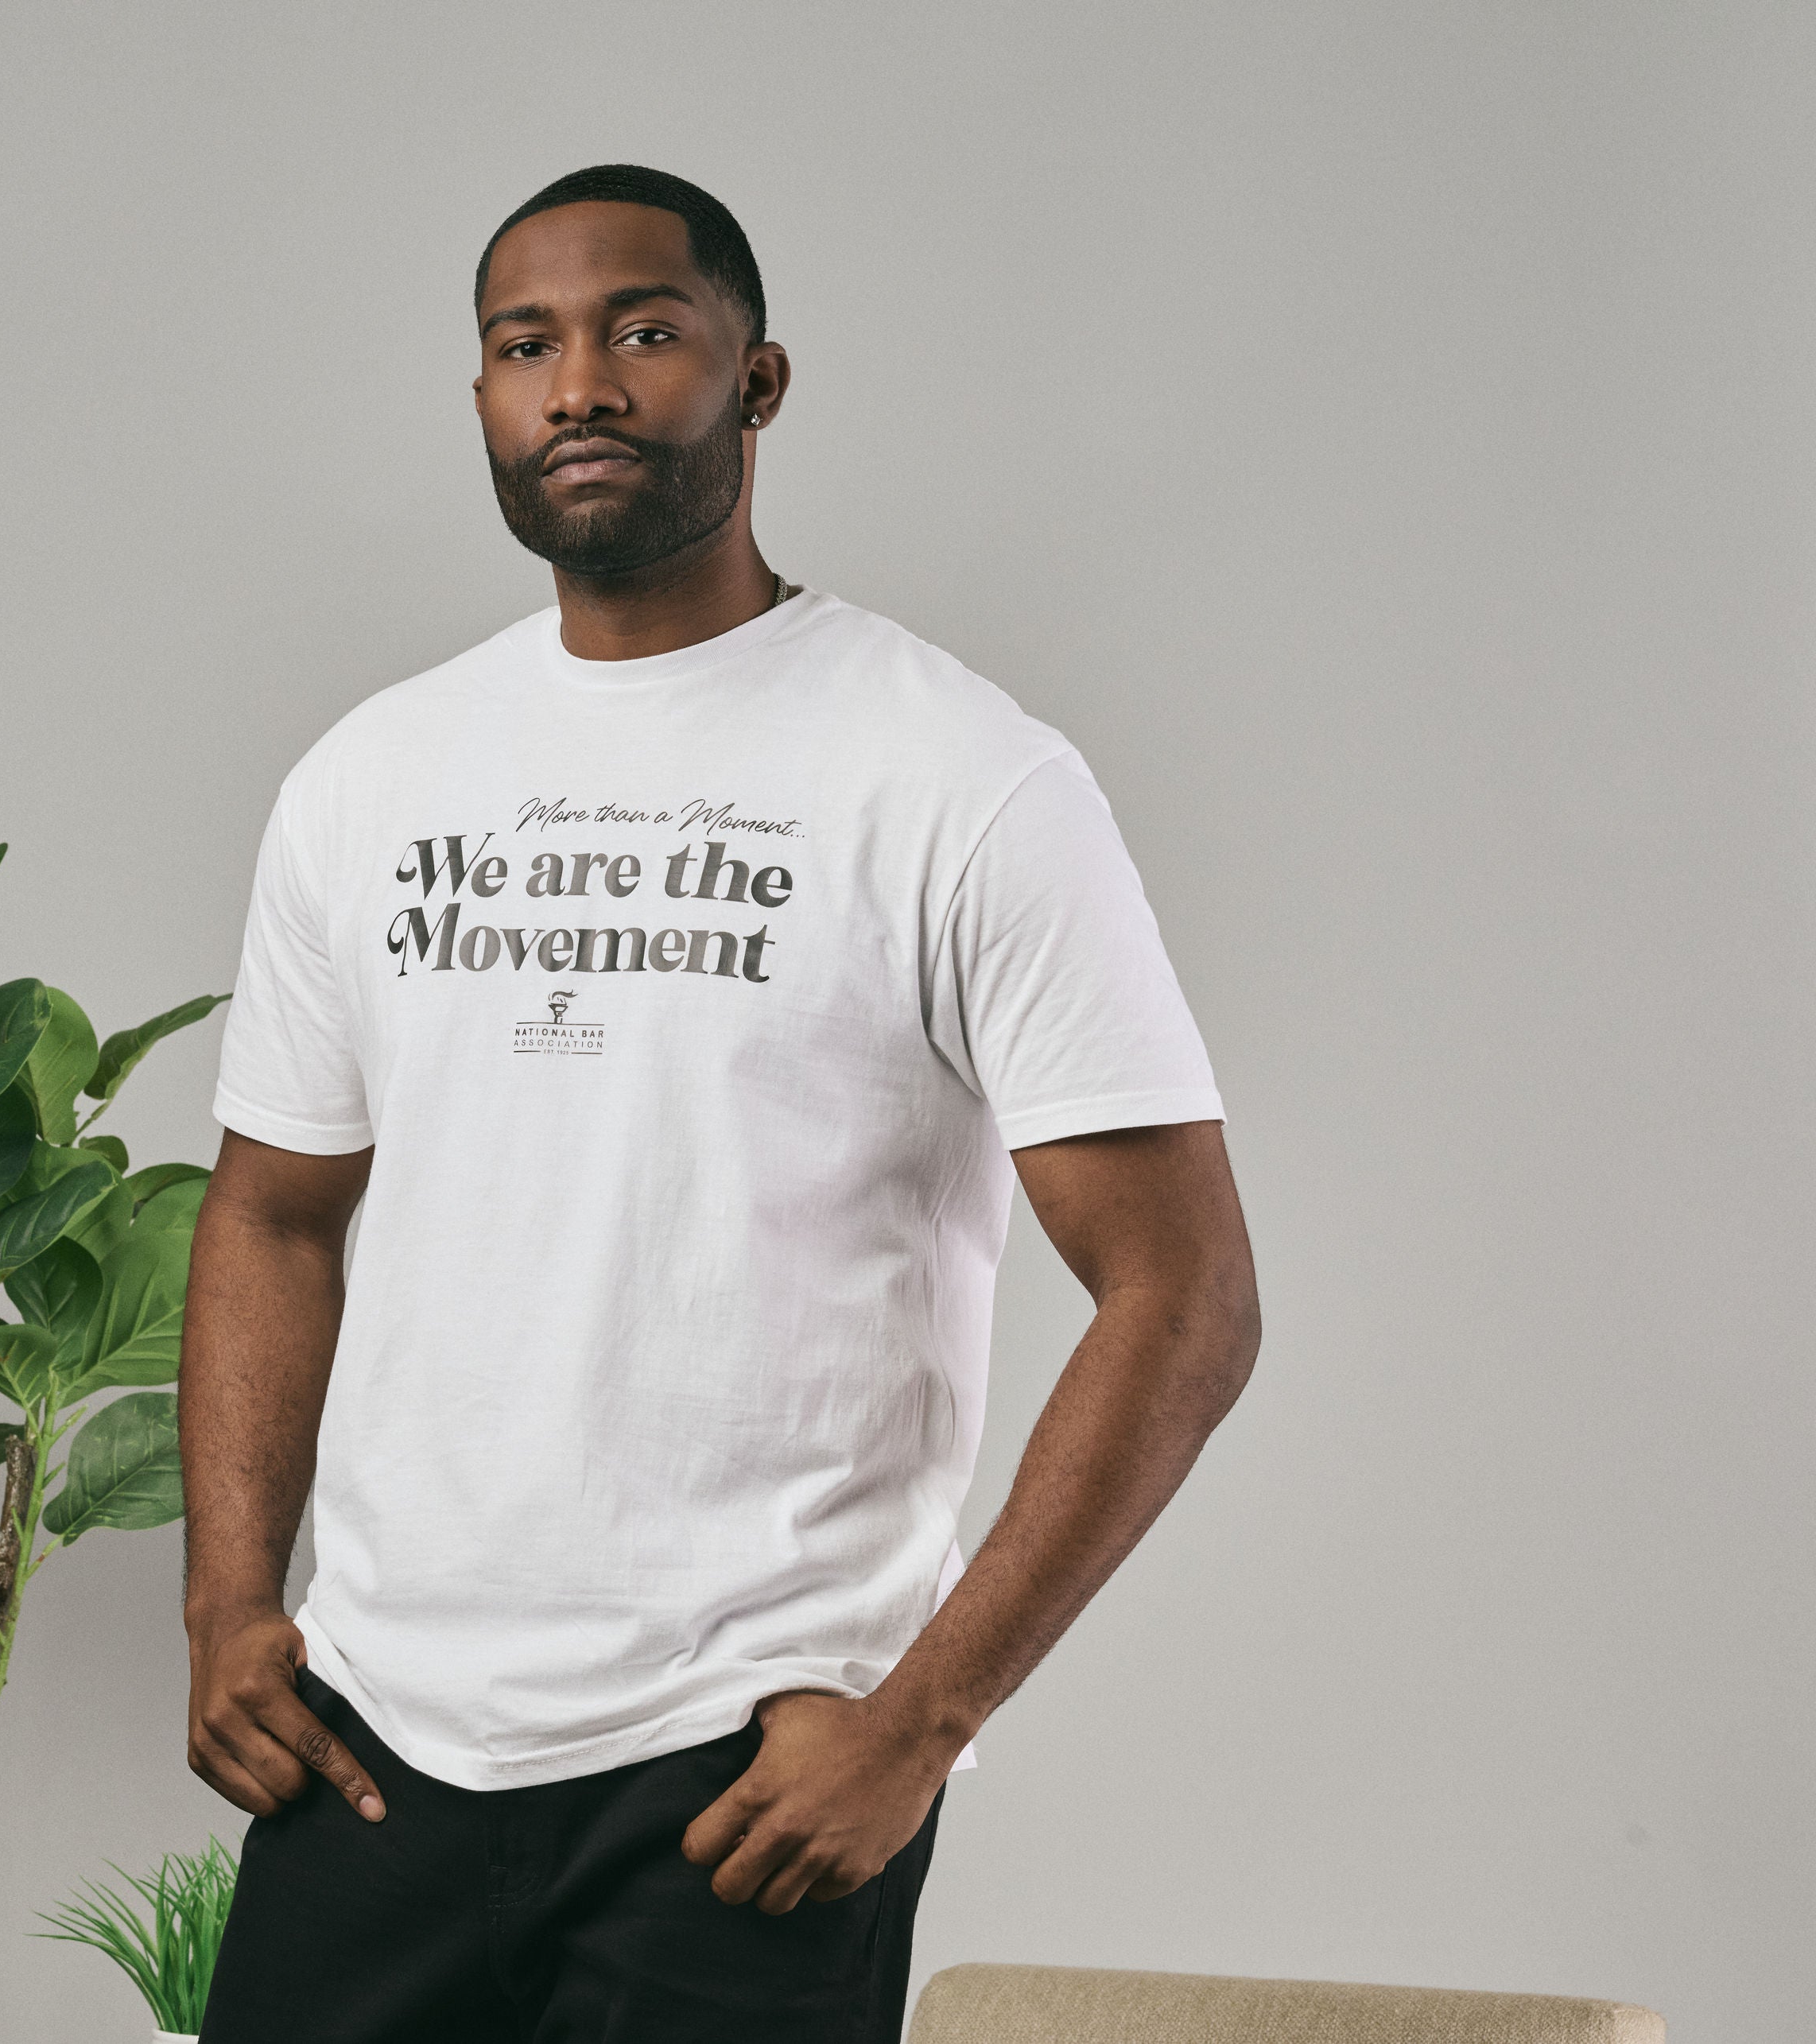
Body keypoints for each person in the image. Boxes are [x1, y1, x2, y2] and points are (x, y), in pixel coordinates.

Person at [179, 163, 1261, 2044]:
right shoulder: (371, 777)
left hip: (743, 1776)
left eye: (644, 331)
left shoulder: (959, 777)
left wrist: (920, 1722)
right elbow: (272, 1211)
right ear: (487, 401)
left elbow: (1188, 1294)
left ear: (758, 386)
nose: (580, 383)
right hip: (370, 1746)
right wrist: (225, 1604)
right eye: (528, 345)